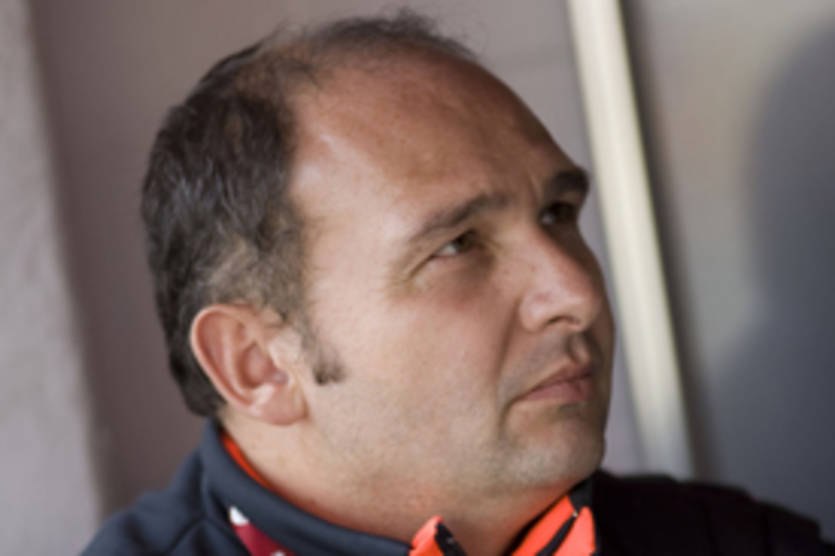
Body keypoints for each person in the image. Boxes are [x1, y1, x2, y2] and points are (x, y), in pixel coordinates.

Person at [83, 12, 832, 556]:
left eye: (558, 213)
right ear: (257, 364)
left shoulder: (730, 543)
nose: (575, 290)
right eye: (457, 246)